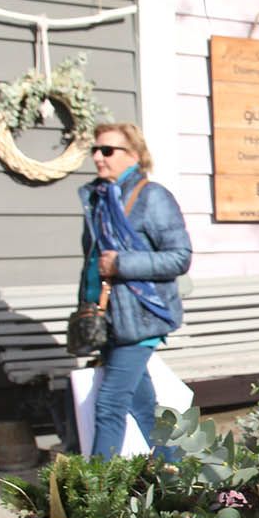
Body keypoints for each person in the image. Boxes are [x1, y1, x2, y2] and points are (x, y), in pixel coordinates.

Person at [78, 122, 191, 457]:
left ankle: (97, 498)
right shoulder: (98, 200)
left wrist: (122, 264)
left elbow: (180, 257)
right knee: (144, 408)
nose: (98, 157)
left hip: (144, 316)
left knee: (109, 406)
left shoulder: (152, 198)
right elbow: (92, 264)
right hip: (111, 319)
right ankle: (180, 479)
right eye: (94, 150)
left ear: (135, 155)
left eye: (107, 150)